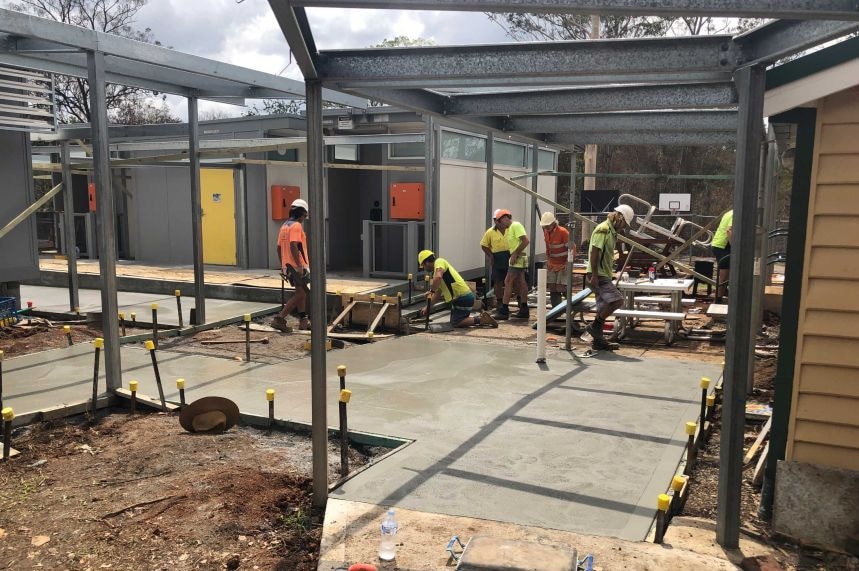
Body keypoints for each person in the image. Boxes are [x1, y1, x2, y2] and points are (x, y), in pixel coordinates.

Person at [584, 204, 634, 351]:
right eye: (624, 223)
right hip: (598, 274)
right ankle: (595, 326)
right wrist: (594, 274)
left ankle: (598, 342)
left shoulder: (612, 231)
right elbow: (594, 253)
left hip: (602, 273)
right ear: (620, 219)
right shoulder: (603, 229)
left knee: (602, 306)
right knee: (617, 300)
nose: (624, 227)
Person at [417, 250, 498, 328]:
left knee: (456, 322)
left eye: (423, 266)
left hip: (462, 297)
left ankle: (482, 320)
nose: (424, 269)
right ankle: (480, 317)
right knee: (455, 320)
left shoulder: (439, 262)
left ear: (427, 262)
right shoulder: (437, 273)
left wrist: (431, 291)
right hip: (460, 298)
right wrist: (427, 307)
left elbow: (438, 277)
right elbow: (437, 294)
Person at [273, 198, 311, 332]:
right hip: (296, 266)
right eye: (304, 216)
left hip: (287, 266)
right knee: (301, 294)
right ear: (301, 214)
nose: (304, 218)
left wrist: (282, 265)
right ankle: (280, 318)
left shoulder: (284, 226)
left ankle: (303, 320)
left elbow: (278, 248)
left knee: (301, 293)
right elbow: (294, 245)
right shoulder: (296, 226)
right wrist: (300, 266)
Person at [492, 211, 530, 321]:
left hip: (518, 258)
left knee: (508, 281)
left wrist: (515, 253)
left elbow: (526, 241)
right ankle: (524, 308)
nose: (500, 224)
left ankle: (504, 310)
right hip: (517, 257)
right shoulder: (510, 229)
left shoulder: (516, 225)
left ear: (505, 218)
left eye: (500, 221)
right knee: (521, 281)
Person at [479, 209, 511, 308]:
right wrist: (491, 256)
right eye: (495, 220)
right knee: (498, 281)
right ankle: (500, 302)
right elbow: (483, 245)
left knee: (514, 280)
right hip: (498, 259)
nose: (496, 221)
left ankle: (519, 301)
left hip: (510, 257)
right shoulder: (490, 232)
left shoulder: (511, 229)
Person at [540, 211, 571, 309]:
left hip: (564, 264)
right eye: (545, 226)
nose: (546, 228)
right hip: (553, 264)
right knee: (553, 287)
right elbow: (548, 248)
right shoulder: (546, 233)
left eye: (547, 226)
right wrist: (548, 261)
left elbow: (571, 249)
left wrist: (568, 264)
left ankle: (570, 308)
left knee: (562, 287)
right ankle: (556, 310)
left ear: (554, 223)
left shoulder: (563, 232)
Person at [711, 209, 733, 303]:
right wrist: (735, 246)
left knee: (727, 273)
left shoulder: (729, 212)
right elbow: (729, 230)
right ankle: (718, 299)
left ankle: (723, 293)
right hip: (722, 246)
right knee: (724, 274)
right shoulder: (735, 214)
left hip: (720, 244)